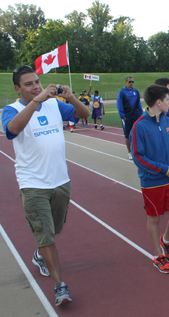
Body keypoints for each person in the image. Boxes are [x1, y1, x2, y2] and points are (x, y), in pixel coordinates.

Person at [1, 65, 90, 306]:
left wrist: (69, 96)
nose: (36, 86)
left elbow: (84, 114)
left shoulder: (54, 105)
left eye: (37, 82)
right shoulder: (11, 110)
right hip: (33, 184)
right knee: (46, 235)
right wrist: (35, 102)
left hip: (61, 181)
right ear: (18, 88)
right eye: (28, 84)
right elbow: (12, 129)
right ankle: (60, 286)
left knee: (55, 229)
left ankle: (40, 255)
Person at [130, 84, 169, 274]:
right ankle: (157, 255)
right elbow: (138, 156)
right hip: (152, 182)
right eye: (168, 99)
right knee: (154, 218)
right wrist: (164, 170)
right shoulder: (140, 126)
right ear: (159, 102)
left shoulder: (168, 122)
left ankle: (166, 241)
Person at [117, 76, 143, 160]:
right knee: (127, 135)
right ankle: (129, 152)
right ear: (126, 82)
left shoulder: (136, 92)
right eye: (129, 82)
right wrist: (123, 116)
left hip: (135, 116)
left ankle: (137, 151)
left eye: (132, 82)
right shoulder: (122, 92)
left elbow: (139, 103)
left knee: (137, 134)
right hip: (127, 116)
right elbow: (119, 105)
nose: (131, 83)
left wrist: (140, 113)